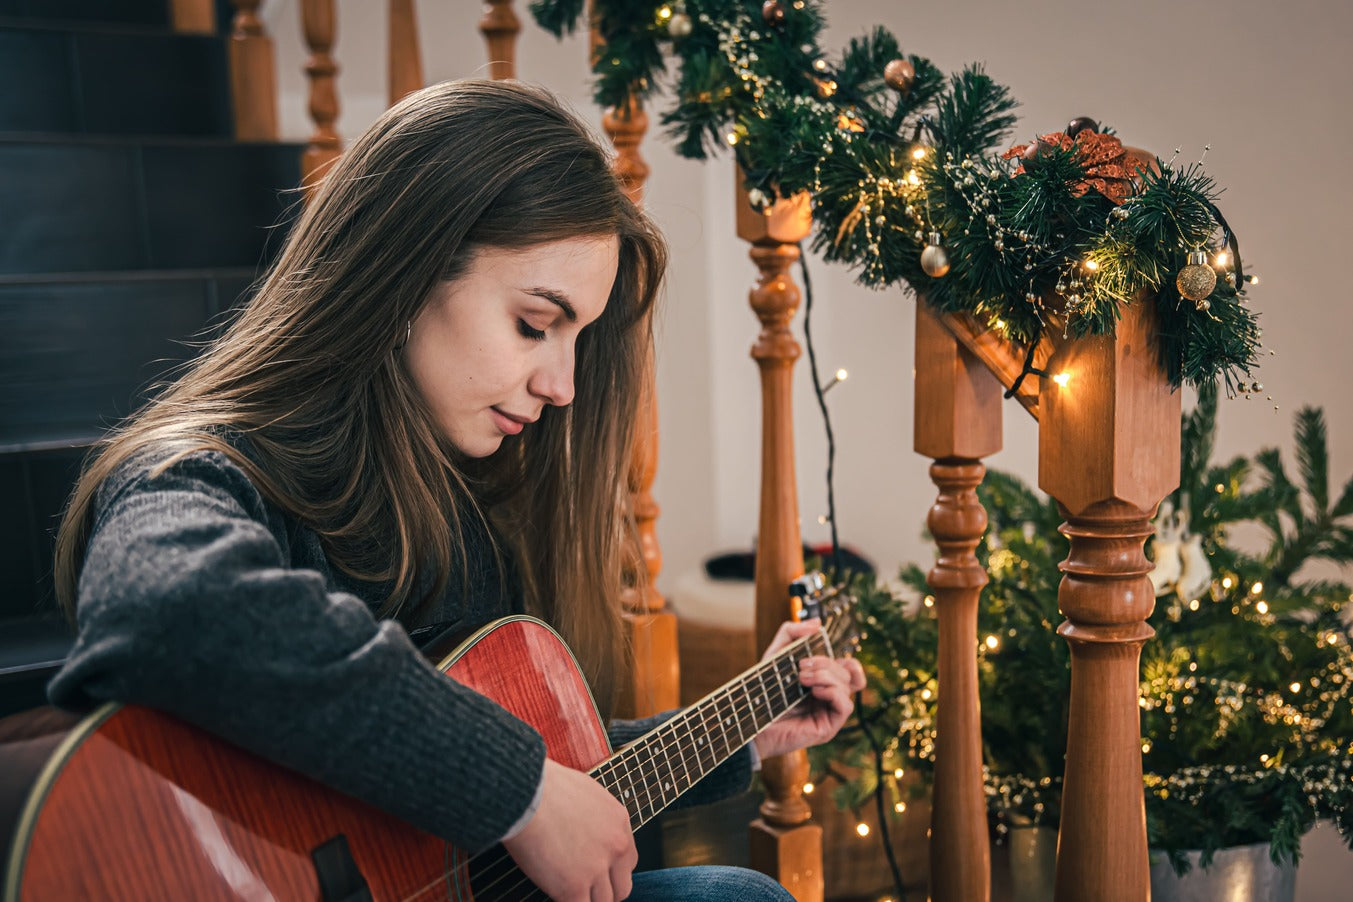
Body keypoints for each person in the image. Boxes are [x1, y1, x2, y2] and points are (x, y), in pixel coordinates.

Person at [49, 79, 865, 902]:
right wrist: (521, 789)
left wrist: (742, 731)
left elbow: (476, 795)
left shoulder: (461, 499)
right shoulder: (203, 471)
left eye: (577, 339)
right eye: (534, 324)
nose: (564, 386)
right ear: (402, 278)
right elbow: (172, 606)